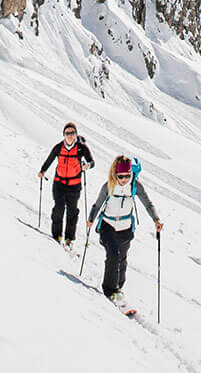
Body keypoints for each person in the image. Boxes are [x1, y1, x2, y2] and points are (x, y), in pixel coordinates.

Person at [87, 156, 161, 304]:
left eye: (127, 176)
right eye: (121, 176)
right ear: (115, 174)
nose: (124, 179)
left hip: (125, 227)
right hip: (108, 226)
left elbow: (148, 204)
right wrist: (90, 219)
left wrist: (156, 219)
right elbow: (97, 205)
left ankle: (118, 287)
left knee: (122, 259)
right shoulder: (108, 186)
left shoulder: (135, 186)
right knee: (113, 255)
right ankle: (109, 290)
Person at [38, 124, 94, 246]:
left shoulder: (81, 148)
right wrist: (43, 171)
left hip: (74, 185)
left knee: (72, 212)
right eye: (67, 133)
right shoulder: (58, 147)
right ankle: (56, 235)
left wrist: (87, 166)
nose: (70, 135)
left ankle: (69, 238)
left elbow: (92, 161)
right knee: (58, 209)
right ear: (64, 134)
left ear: (75, 134)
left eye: (72, 133)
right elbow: (50, 159)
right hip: (59, 183)